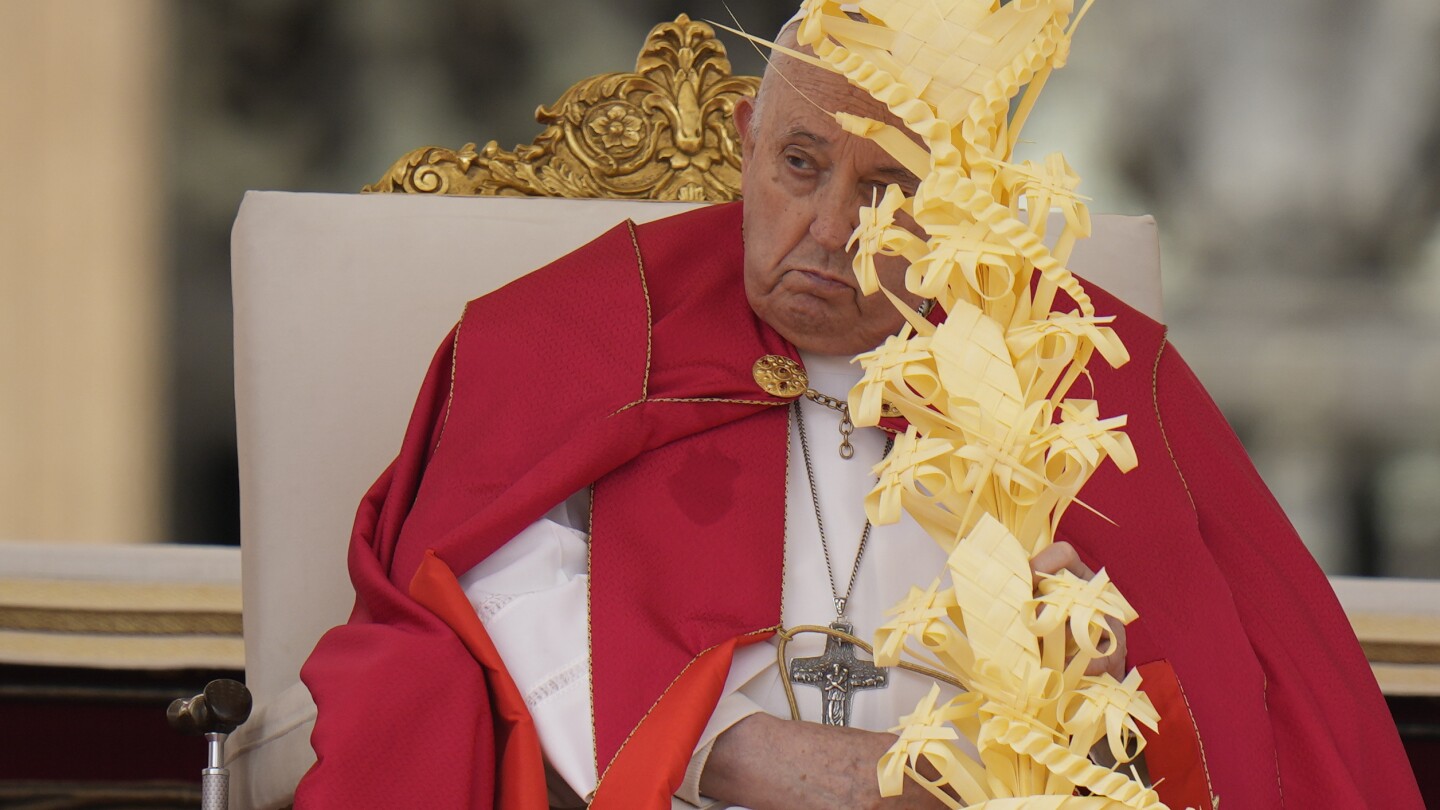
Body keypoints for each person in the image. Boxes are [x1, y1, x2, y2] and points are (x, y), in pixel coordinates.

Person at [295, 12, 1423, 810]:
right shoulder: (599, 330)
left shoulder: (1078, 375)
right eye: (799, 164)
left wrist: (1102, 687)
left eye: (887, 191)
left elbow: (1238, 696)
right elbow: (479, 573)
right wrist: (723, 743)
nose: (831, 229)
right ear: (746, 140)